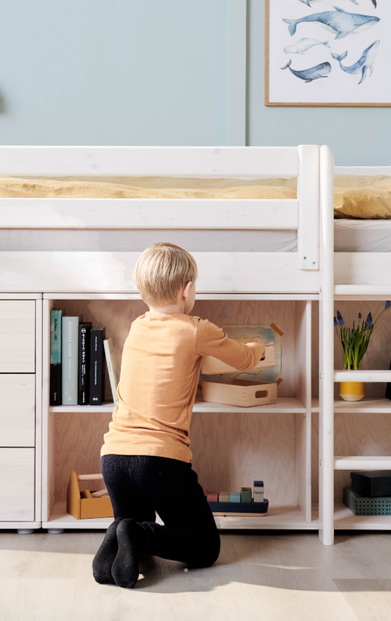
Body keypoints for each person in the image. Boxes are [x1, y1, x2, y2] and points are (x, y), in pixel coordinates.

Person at [93, 242, 265, 588]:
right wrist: (259, 346)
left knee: (137, 537)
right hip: (159, 462)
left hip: (114, 458)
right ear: (187, 290)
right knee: (204, 545)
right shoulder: (196, 328)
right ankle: (130, 533)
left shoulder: (137, 327)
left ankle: (120, 533)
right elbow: (245, 360)